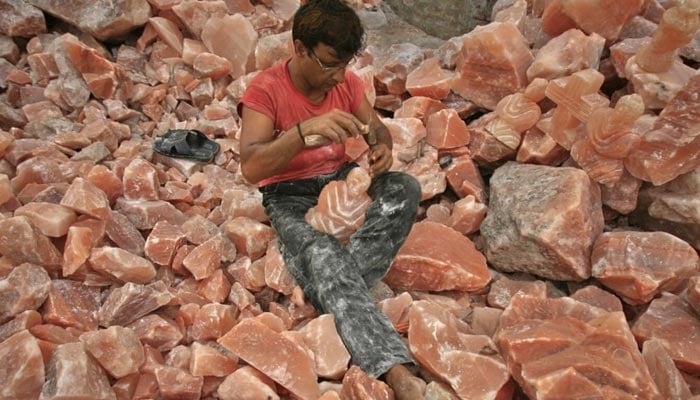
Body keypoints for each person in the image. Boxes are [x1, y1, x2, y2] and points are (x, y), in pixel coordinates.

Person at [238, 0, 425, 397]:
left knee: (404, 189)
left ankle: (331, 285)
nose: (339, 76)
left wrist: (381, 148)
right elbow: (252, 167)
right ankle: (392, 367)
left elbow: (377, 130)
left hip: (339, 179)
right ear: (299, 48)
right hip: (287, 193)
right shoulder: (265, 90)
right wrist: (303, 132)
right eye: (328, 64)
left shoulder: (346, 82)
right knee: (323, 254)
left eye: (345, 65)